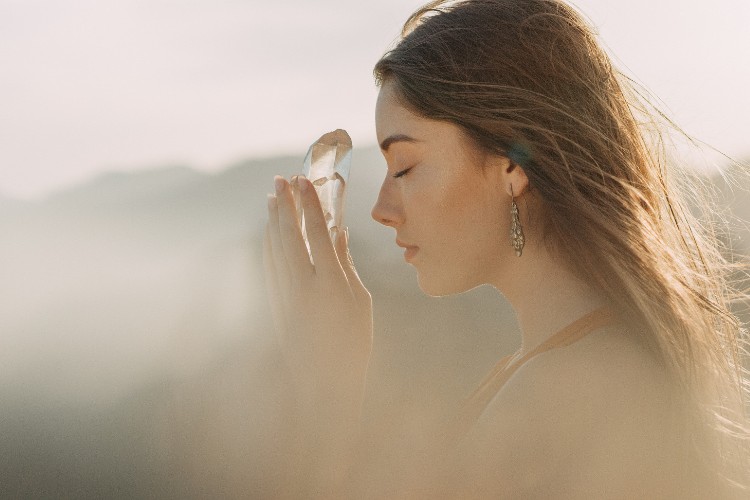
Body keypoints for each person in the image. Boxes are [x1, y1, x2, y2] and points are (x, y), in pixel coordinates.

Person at [264, 0, 750, 497]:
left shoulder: (567, 393)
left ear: (513, 163)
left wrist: (329, 393)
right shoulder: (560, 362)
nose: (382, 208)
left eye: (405, 167)